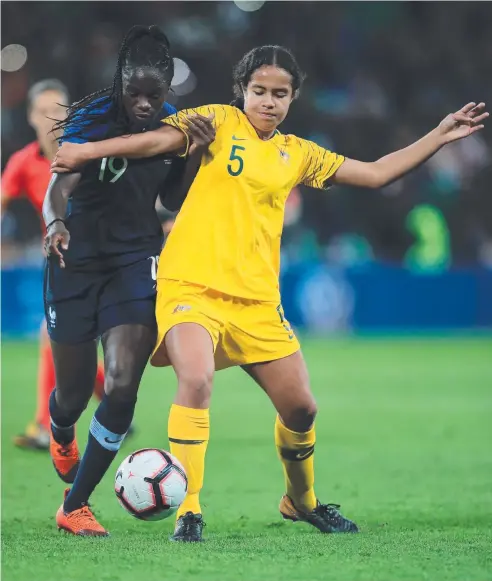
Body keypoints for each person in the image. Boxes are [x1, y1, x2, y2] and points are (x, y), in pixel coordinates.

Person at [52, 45, 488, 542]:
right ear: (242, 91)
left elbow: (374, 173)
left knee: (302, 409)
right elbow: (152, 142)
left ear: (293, 98)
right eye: (259, 91)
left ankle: (300, 502)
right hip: (190, 287)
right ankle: (188, 510)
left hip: (257, 303)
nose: (268, 102)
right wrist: (88, 151)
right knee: (194, 380)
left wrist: (438, 136)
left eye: (280, 94)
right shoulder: (215, 120)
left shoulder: (298, 154)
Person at [44, 25, 214, 536]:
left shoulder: (172, 129)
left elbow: (173, 200)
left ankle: (75, 504)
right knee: (72, 394)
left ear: (168, 91)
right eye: (134, 93)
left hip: (135, 262)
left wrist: (193, 154)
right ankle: (60, 429)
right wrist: (55, 223)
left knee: (120, 384)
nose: (143, 103)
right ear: (119, 83)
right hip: (75, 260)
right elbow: (60, 179)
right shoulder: (93, 119)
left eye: (153, 95)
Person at [1, 79, 106, 451]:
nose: (52, 119)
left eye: (59, 110)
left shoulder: (89, 154)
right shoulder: (23, 162)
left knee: (55, 336)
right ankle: (113, 399)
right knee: (59, 339)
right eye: (43, 111)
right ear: (31, 117)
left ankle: (49, 426)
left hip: (102, 258)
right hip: (62, 260)